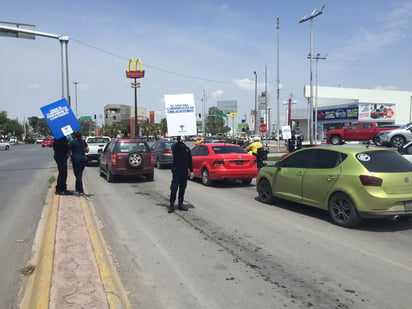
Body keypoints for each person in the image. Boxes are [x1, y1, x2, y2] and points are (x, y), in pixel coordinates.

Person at [169, 136, 193, 213]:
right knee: (174, 188)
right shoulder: (176, 147)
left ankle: (180, 204)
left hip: (184, 172)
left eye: (184, 138)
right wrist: (178, 141)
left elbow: (190, 161)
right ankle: (171, 205)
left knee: (182, 188)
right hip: (177, 171)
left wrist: (191, 171)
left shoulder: (187, 149)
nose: (183, 139)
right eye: (182, 138)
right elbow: (173, 149)